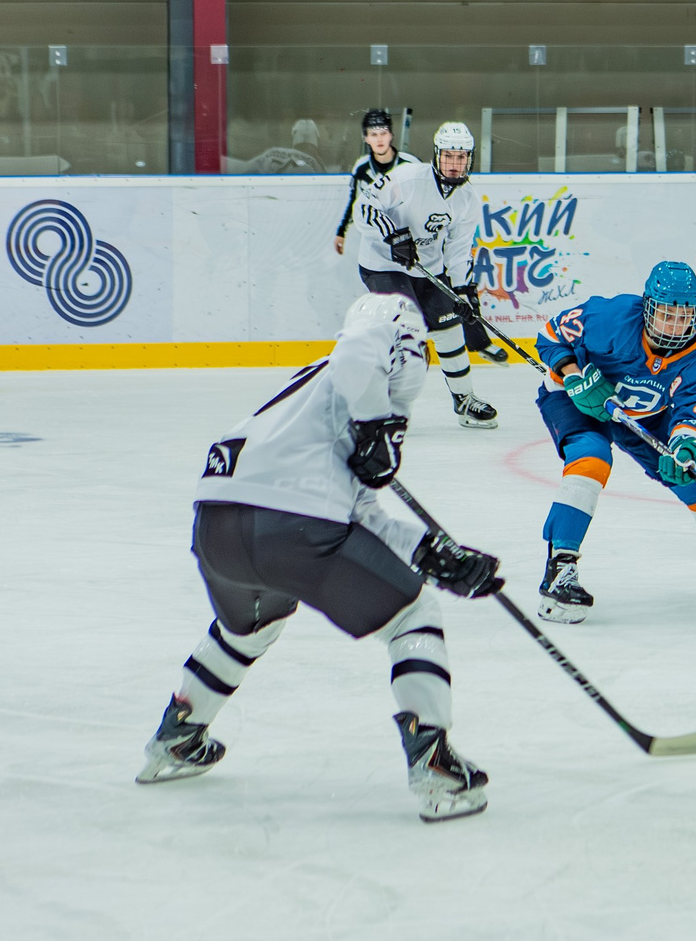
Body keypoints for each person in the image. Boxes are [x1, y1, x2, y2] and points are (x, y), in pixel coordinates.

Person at [136, 292, 504, 822]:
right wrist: (378, 422)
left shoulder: (311, 397)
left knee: (248, 629)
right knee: (413, 616)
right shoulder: (369, 365)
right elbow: (361, 338)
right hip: (293, 524)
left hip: (217, 524)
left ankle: (177, 737)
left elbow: (357, 509)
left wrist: (431, 555)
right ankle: (435, 767)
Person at [530, 261, 696, 621]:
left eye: (685, 316)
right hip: (577, 399)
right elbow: (551, 335)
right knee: (591, 459)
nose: (676, 325)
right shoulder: (612, 316)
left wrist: (686, 447)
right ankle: (560, 568)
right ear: (648, 307)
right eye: (667, 314)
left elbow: (692, 416)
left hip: (643, 417)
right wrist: (572, 375)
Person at [344, 119, 499, 428]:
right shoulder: (407, 177)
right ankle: (385, 405)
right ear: (436, 154)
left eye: (461, 158)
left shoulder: (468, 199)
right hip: (383, 263)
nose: (454, 165)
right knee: (405, 331)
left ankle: (464, 400)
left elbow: (457, 251)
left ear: (470, 159)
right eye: (448, 156)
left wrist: (465, 291)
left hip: (427, 268)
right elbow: (365, 207)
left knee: (449, 326)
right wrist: (393, 234)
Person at [334, 108, 417, 257]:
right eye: (373, 134)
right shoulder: (361, 167)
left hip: (410, 240)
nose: (379, 139)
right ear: (366, 138)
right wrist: (341, 232)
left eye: (383, 133)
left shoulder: (411, 165)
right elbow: (355, 203)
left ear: (391, 135)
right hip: (378, 244)